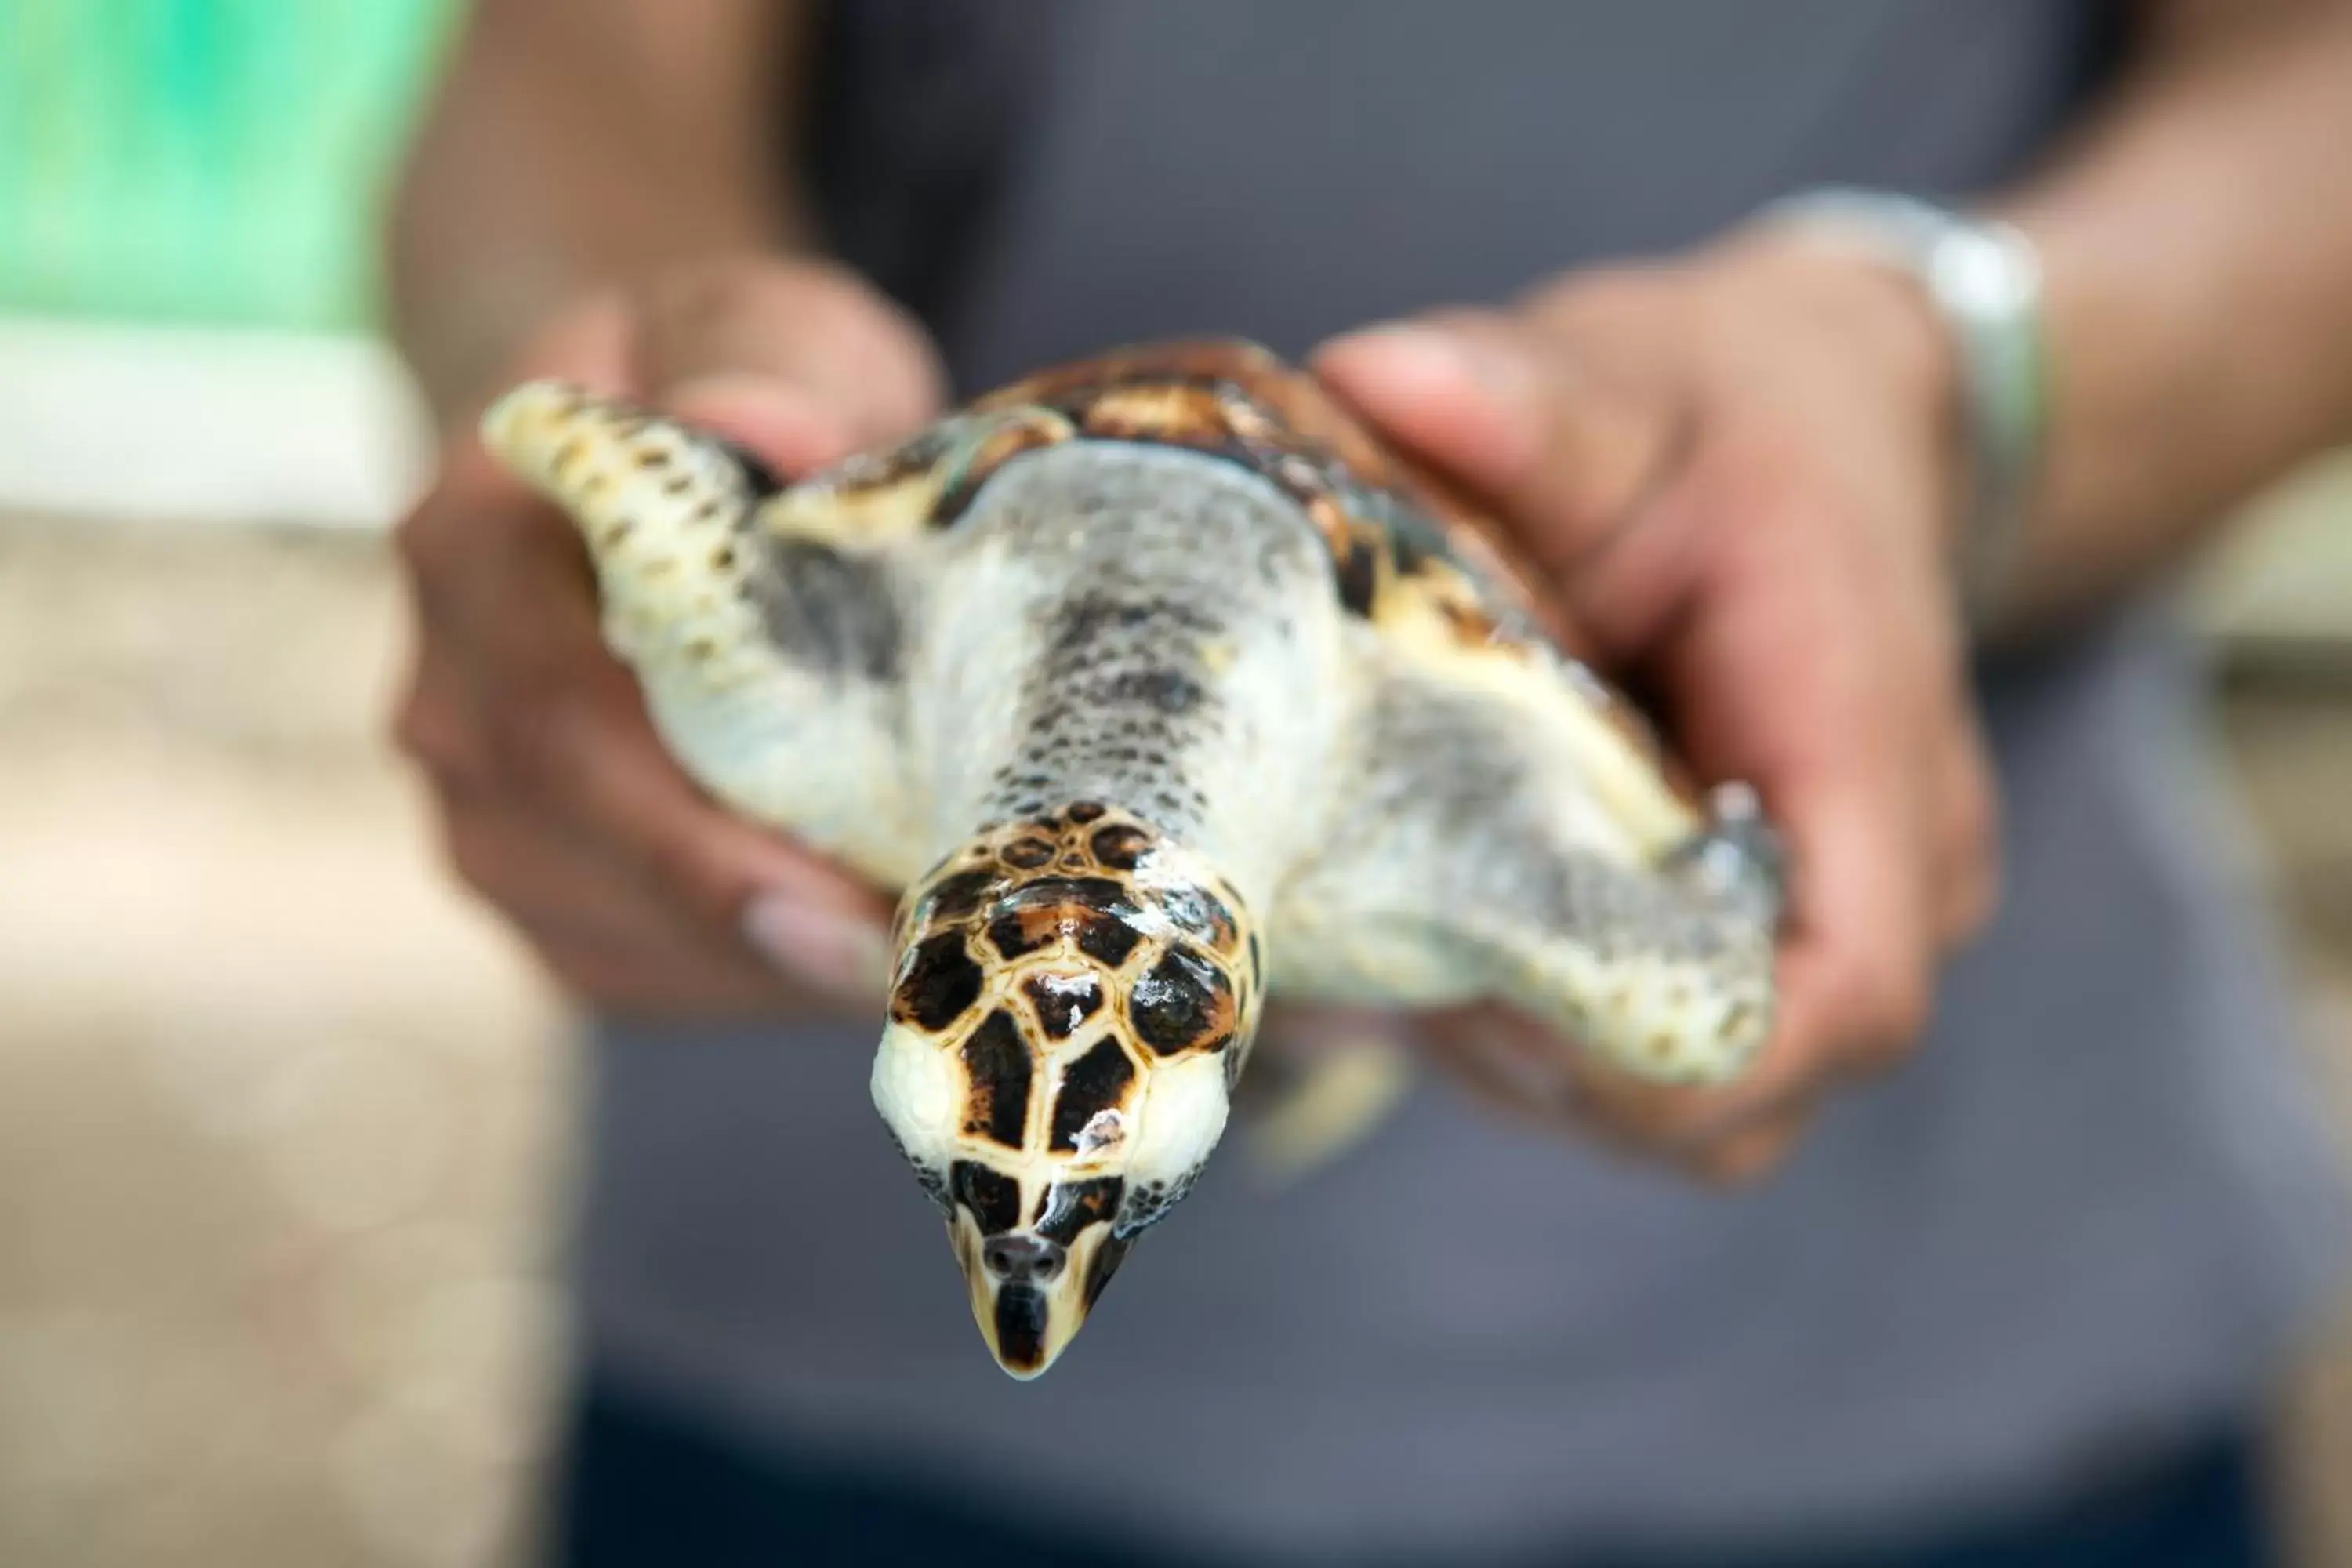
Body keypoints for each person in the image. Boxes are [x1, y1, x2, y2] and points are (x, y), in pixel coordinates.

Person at [385, 2, 2352, 1563]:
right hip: (787, 1361)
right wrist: (611, 345)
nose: (1038, 1232)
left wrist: (1945, 376)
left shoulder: (820, 688)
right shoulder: (844, 679)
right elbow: (569, 83)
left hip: (1948, 1369)